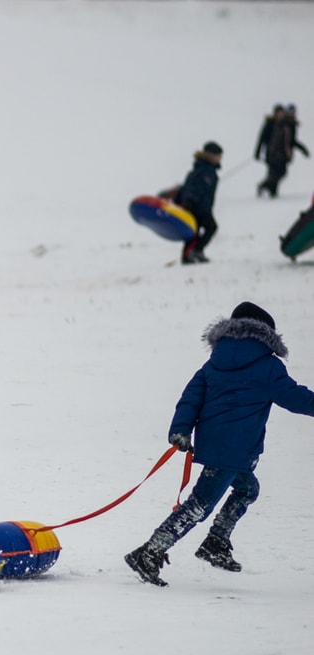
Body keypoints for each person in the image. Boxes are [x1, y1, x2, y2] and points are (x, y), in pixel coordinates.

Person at [125, 302, 314, 587]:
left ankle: (216, 542)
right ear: (266, 335)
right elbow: (294, 398)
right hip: (235, 449)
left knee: (247, 489)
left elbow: (191, 397)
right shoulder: (269, 366)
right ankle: (150, 552)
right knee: (200, 504)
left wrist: (180, 430)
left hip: (217, 445)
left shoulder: (214, 362)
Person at [173, 141, 222, 265]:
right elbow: (190, 188)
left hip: (204, 207)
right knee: (209, 227)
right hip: (197, 207)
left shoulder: (208, 170)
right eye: (218, 156)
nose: (220, 159)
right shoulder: (202, 171)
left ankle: (193, 253)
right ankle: (193, 252)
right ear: (210, 155)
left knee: (197, 230)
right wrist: (189, 202)